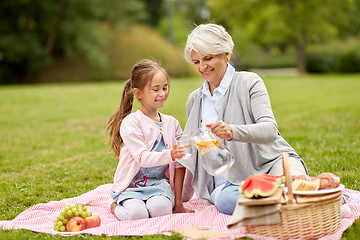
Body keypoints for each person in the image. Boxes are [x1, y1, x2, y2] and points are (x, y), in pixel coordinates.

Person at [178, 23, 308, 215]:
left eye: (208, 58)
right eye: (196, 62)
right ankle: (293, 207)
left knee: (297, 183)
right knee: (224, 201)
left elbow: (270, 130)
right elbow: (196, 151)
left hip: (271, 164)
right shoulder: (194, 100)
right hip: (231, 184)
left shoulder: (250, 82)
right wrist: (180, 199)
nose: (202, 66)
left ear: (226, 54)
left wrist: (232, 131)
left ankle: (297, 203)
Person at [105, 59, 193, 221]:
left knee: (161, 211)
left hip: (159, 186)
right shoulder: (131, 123)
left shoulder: (172, 123)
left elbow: (180, 165)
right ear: (138, 93)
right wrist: (171, 154)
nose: (162, 93)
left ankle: (161, 202)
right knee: (137, 215)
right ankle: (114, 206)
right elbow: (143, 158)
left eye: (165, 88)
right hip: (132, 187)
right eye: (155, 89)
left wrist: (179, 203)